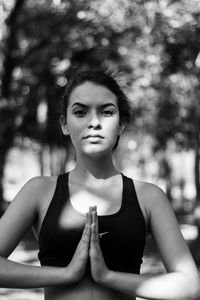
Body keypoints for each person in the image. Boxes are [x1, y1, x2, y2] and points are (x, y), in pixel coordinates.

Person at [0, 69, 199, 300]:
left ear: (121, 125)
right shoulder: (39, 191)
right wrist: (66, 274)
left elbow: (189, 286)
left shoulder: (149, 197)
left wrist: (106, 276)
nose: (94, 122)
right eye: (80, 112)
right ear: (65, 124)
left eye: (106, 112)